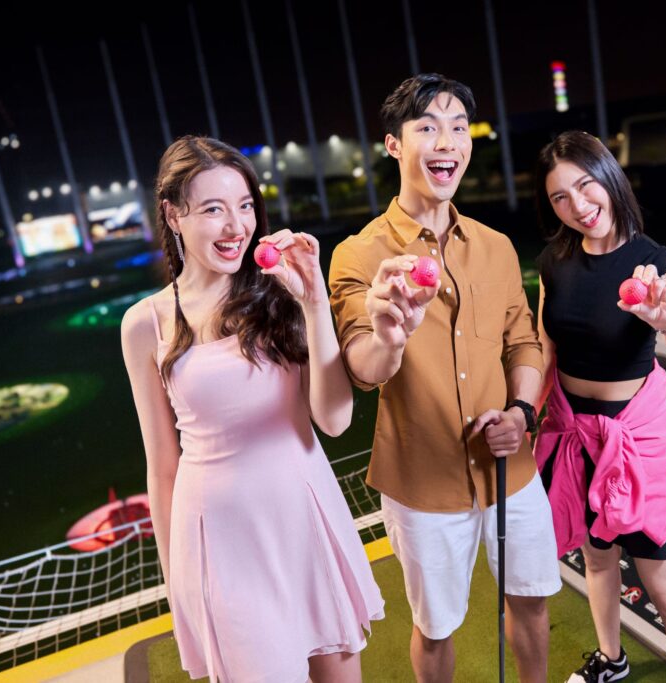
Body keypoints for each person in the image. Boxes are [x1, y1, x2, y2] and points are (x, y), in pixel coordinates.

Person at [120, 136, 383, 683]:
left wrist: (314, 300)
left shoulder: (283, 293)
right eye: (213, 209)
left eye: (244, 206)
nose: (236, 225)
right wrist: (176, 580)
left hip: (305, 517)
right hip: (222, 544)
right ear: (173, 214)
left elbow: (335, 421)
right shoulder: (146, 323)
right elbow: (162, 465)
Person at [328, 74, 561, 683]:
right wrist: (389, 335)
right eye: (428, 127)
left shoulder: (496, 246)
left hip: (511, 470)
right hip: (422, 481)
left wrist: (522, 414)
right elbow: (360, 369)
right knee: (436, 628)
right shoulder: (359, 255)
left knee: (532, 601)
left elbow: (523, 343)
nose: (447, 141)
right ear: (394, 145)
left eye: (459, 127)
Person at [533, 130, 666, 683]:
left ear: (610, 177)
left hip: (637, 442)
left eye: (585, 185)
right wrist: (521, 412)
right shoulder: (554, 262)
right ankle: (611, 660)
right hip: (573, 433)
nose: (578, 205)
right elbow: (545, 348)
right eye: (560, 197)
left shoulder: (657, 262)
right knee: (596, 559)